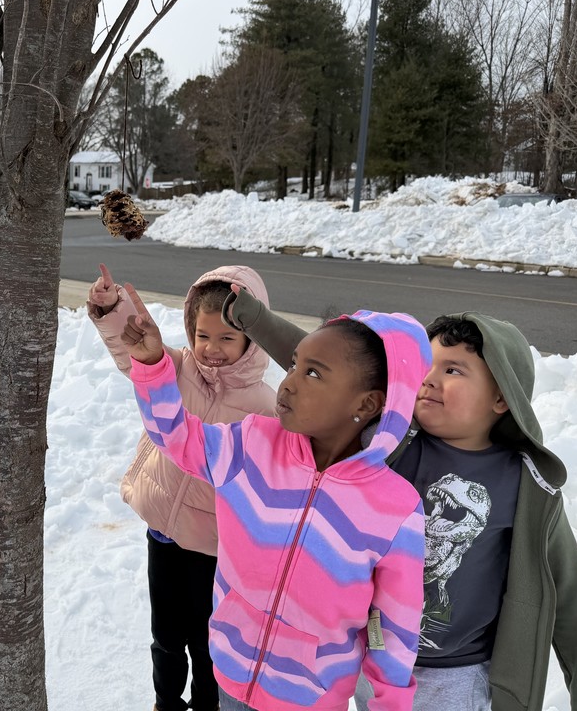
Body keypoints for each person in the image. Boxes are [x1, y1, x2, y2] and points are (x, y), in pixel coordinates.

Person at [222, 289, 577, 711]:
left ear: (502, 397)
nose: (430, 378)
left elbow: (574, 608)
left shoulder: (524, 486)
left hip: (456, 678)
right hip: (374, 662)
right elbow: (333, 372)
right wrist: (257, 320)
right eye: (427, 367)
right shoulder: (391, 443)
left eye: (453, 370)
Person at [116, 283, 432, 711]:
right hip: (230, 674)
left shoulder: (395, 511)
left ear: (369, 402)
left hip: (309, 700)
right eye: (295, 365)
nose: (289, 383)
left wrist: (389, 705)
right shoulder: (253, 444)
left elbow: (393, 631)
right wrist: (153, 364)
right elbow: (178, 438)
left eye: (314, 373)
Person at [88, 263, 277, 711]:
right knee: (167, 634)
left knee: (210, 640)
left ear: (252, 339)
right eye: (202, 336)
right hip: (163, 533)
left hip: (216, 550)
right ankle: (166, 702)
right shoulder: (174, 368)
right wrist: (113, 310)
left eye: (227, 338)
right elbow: (134, 353)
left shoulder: (265, 407)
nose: (211, 349)